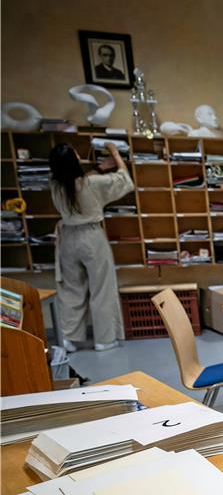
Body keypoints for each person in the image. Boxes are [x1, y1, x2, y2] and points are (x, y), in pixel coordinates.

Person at [49, 141, 133, 351]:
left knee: (71, 289)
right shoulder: (93, 183)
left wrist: (100, 168)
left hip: (67, 237)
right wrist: (115, 153)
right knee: (102, 288)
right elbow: (124, 180)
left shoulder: (55, 185)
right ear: (76, 160)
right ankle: (104, 339)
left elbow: (76, 182)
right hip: (91, 236)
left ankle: (68, 338)